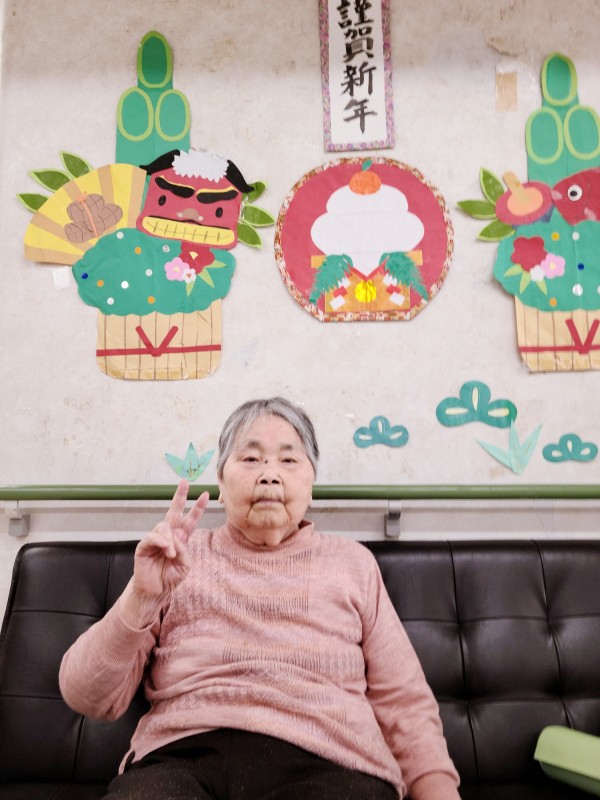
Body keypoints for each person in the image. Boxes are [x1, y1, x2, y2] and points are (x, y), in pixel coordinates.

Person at [59, 397, 460, 800]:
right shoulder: (176, 558)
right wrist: (141, 595)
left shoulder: (354, 564)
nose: (270, 475)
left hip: (331, 763)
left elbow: (404, 702)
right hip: (182, 758)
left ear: (311, 483)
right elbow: (85, 695)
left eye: (289, 460)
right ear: (220, 482)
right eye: (251, 459)